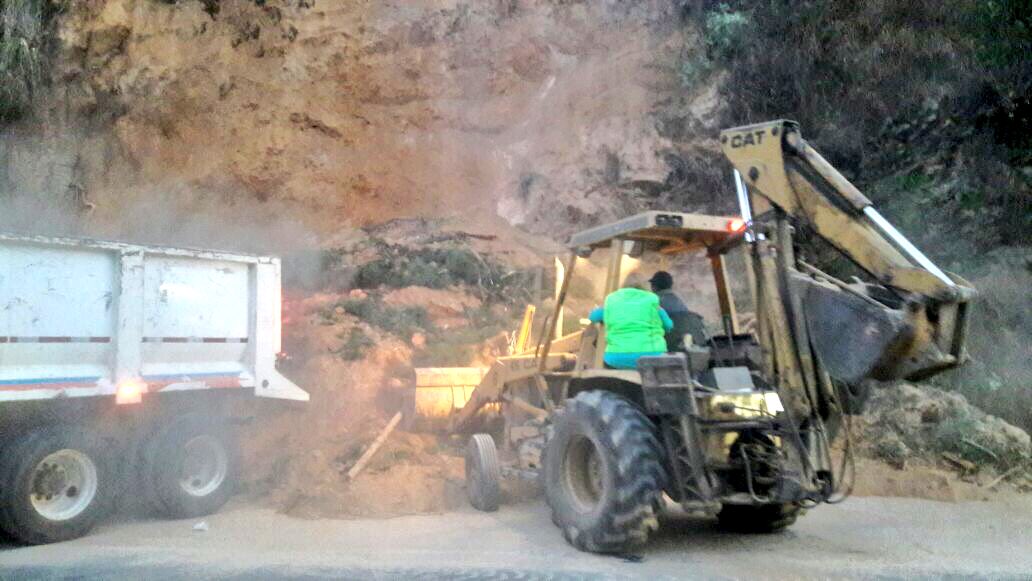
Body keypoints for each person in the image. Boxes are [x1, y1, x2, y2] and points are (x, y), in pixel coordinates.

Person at [587, 273, 673, 369]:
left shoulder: (612, 301)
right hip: (653, 356)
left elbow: (593, 316)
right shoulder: (652, 300)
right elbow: (669, 325)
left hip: (617, 358)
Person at [648, 270, 707, 351]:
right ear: (671, 286)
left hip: (666, 350)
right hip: (688, 349)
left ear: (653, 287)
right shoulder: (679, 302)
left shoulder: (653, 303)